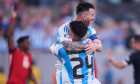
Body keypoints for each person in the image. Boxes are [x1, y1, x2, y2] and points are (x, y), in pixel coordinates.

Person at [55, 2, 102, 84]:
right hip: (67, 77)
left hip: (86, 78)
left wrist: (96, 46)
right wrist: (89, 45)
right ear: (84, 16)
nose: (94, 18)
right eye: (92, 15)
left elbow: (100, 47)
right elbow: (68, 46)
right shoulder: (65, 28)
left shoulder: (90, 29)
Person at [6, 5, 38, 84]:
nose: (29, 44)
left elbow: (29, 73)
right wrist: (12, 18)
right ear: (21, 44)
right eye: (27, 42)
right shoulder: (14, 52)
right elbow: (9, 36)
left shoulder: (29, 56)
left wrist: (36, 82)